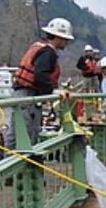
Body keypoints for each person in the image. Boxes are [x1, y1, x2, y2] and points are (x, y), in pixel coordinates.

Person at [11, 17, 74, 147]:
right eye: (66, 39)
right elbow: (40, 76)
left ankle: (13, 160)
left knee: (16, 134)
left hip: (22, 95)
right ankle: (25, 165)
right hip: (28, 97)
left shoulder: (39, 47)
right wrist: (53, 91)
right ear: (58, 37)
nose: (66, 42)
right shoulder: (47, 52)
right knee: (26, 136)